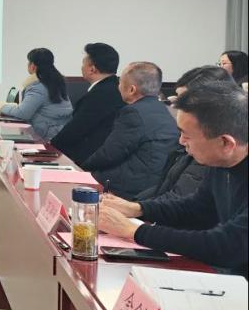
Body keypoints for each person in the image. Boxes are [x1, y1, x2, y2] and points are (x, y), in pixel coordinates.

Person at [100, 81, 248, 277]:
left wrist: (134, 231)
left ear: (226, 143)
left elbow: (227, 247)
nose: (181, 142)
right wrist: (137, 208)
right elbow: (196, 209)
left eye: (187, 135)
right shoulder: (221, 161)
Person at [136, 66, 235, 201]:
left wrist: (136, 208)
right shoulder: (193, 140)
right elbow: (165, 187)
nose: (175, 106)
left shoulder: (210, 151)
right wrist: (134, 204)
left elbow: (181, 203)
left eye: (184, 101)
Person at [82, 62, 178, 199]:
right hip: (157, 184)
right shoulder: (164, 109)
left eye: (120, 82)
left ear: (132, 89)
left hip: (131, 186)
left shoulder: (133, 112)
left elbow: (110, 154)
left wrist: (82, 167)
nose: (118, 86)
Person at [49, 43, 125, 164]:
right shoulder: (116, 88)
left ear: (92, 69)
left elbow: (75, 130)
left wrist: (49, 147)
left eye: (83, 63)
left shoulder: (100, 94)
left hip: (90, 160)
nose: (81, 67)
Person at [0, 48, 73, 139]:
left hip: (46, 136)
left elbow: (23, 113)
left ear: (33, 66)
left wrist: (1, 107)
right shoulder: (55, 82)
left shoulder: (38, 87)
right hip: (59, 133)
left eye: (29, 62)